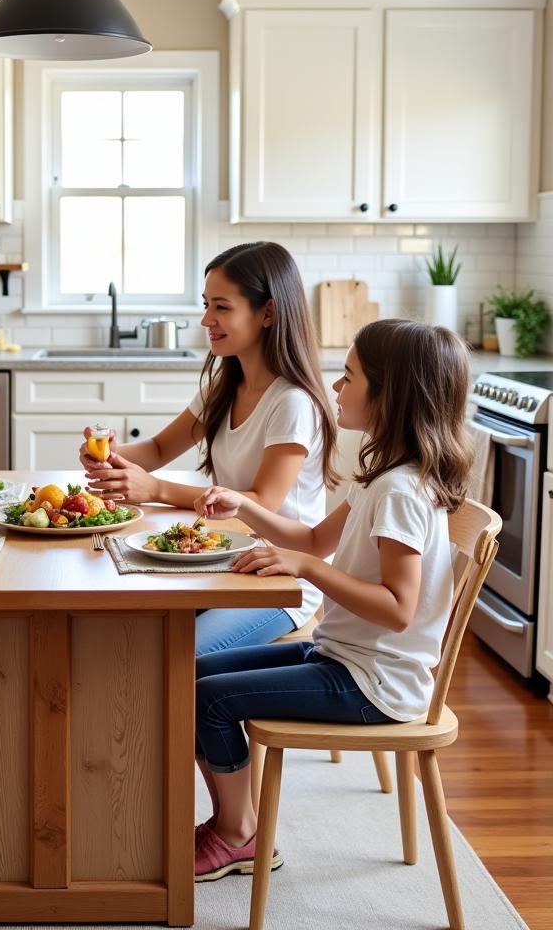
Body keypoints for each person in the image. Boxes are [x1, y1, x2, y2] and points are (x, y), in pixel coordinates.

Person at [189, 319, 472, 882]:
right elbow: (316, 539)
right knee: (191, 674)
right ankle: (234, 826)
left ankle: (238, 834)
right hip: (346, 656)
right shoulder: (383, 475)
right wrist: (243, 507)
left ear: (391, 395)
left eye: (349, 378)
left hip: (376, 682)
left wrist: (308, 569)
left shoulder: (398, 493)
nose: (336, 389)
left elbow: (397, 608)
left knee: (208, 701)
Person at [81, 242, 338, 652]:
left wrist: (157, 490)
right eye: (206, 305)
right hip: (227, 559)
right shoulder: (227, 387)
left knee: (178, 656)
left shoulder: (292, 402)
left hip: (281, 582)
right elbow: (162, 446)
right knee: (126, 623)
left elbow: (261, 503)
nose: (206, 319)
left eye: (221, 307)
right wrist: (110, 453)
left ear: (268, 313)